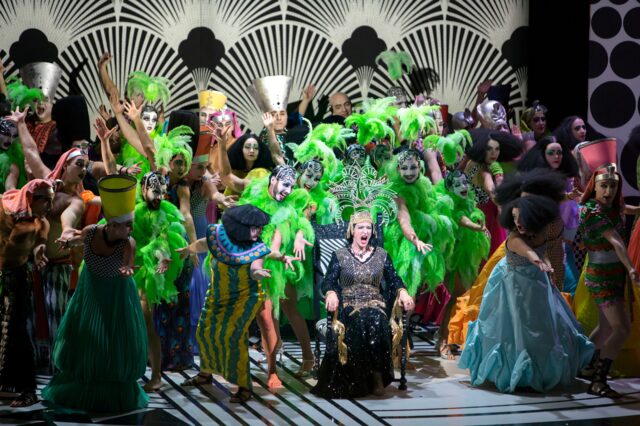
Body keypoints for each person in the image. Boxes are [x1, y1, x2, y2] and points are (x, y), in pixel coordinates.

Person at [459, 194, 594, 393]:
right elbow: (528, 252)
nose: (518, 222)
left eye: (522, 217)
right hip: (513, 286)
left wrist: (548, 266)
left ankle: (540, 370)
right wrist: (538, 261)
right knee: (518, 328)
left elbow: (542, 252)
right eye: (515, 218)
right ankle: (516, 371)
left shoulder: (540, 233)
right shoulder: (514, 238)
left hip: (537, 282)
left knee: (543, 325)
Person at [42, 174, 148, 412]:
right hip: (89, 293)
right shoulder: (91, 232)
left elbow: (128, 265)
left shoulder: (127, 243)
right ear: (112, 225)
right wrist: (67, 241)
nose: (130, 229)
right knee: (87, 339)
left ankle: (109, 381)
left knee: (111, 341)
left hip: (115, 296)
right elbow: (77, 239)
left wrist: (127, 270)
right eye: (126, 225)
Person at [179, 205, 297, 402]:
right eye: (255, 228)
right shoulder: (218, 234)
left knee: (234, 336)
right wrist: (187, 250)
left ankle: (244, 387)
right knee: (204, 331)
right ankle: (205, 373)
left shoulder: (257, 247)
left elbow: (256, 266)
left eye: (261, 228)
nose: (259, 231)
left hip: (245, 296)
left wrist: (258, 272)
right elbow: (202, 244)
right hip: (218, 294)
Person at [311, 210, 413, 398]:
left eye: (368, 228)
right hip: (349, 303)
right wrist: (331, 293)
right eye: (360, 227)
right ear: (352, 230)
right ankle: (357, 378)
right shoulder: (340, 255)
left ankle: (377, 376)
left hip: (375, 302)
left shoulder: (381, 255)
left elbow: (394, 279)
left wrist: (403, 292)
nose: (365, 231)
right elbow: (329, 281)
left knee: (376, 320)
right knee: (358, 320)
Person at [579, 163, 639, 398]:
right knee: (621, 329)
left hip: (613, 274)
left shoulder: (611, 208)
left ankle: (586, 366)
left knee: (605, 328)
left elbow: (627, 209)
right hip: (602, 276)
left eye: (613, 186)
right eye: (604, 186)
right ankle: (598, 381)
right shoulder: (592, 212)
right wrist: (631, 268)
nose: (609, 191)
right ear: (594, 187)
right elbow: (616, 241)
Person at [0, 179, 53, 407]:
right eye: (46, 201)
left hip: (18, 281)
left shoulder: (38, 222)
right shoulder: (5, 210)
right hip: (3, 278)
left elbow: (41, 238)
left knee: (18, 334)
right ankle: (8, 385)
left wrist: (40, 249)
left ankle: (28, 390)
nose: (49, 206)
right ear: (32, 198)